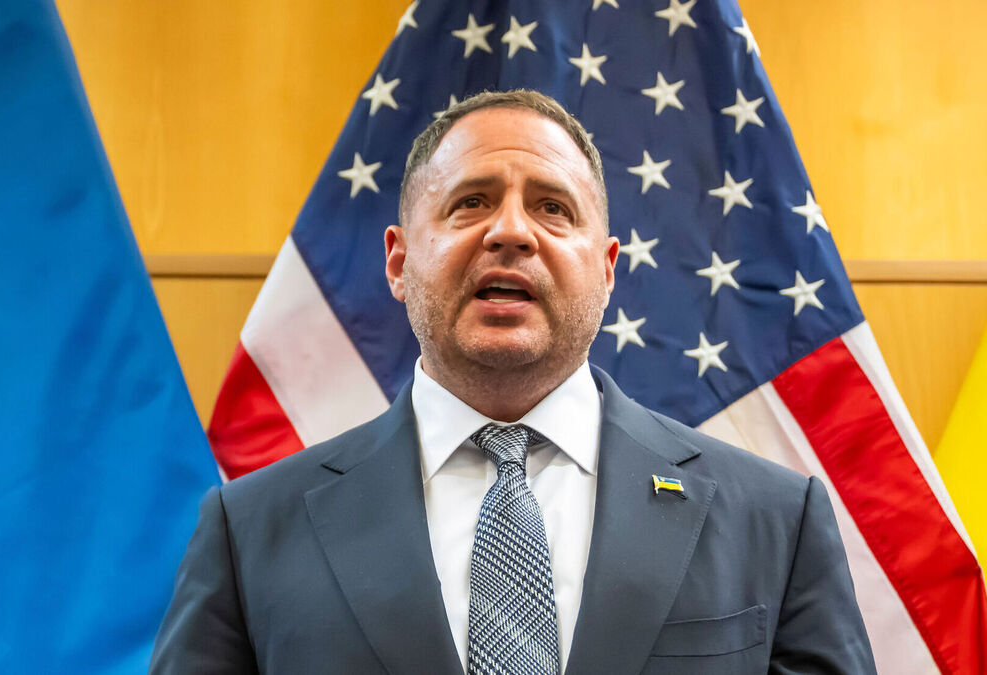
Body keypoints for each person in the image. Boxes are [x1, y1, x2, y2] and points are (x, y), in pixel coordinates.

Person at [150, 90, 875, 674]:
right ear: (399, 263)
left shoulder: (775, 522)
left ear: (607, 270)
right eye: (470, 201)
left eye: (553, 208)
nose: (511, 232)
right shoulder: (249, 532)